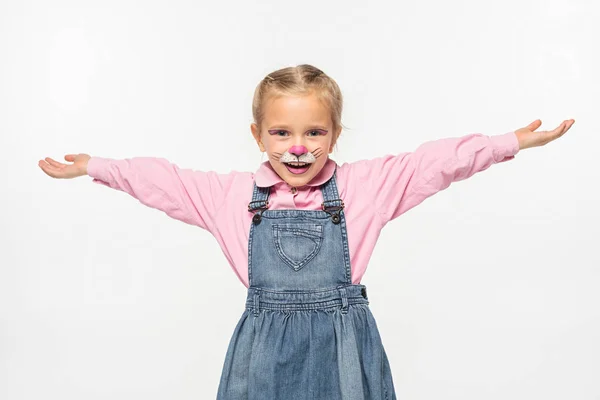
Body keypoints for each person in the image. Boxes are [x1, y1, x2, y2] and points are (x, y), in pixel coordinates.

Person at [38, 64, 575, 400]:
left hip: (343, 349)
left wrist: (509, 142)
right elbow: (162, 179)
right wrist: (96, 166)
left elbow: (434, 163)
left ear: (335, 133)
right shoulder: (229, 198)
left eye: (315, 131)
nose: (299, 146)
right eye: (282, 132)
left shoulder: (365, 188)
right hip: (263, 356)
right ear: (258, 135)